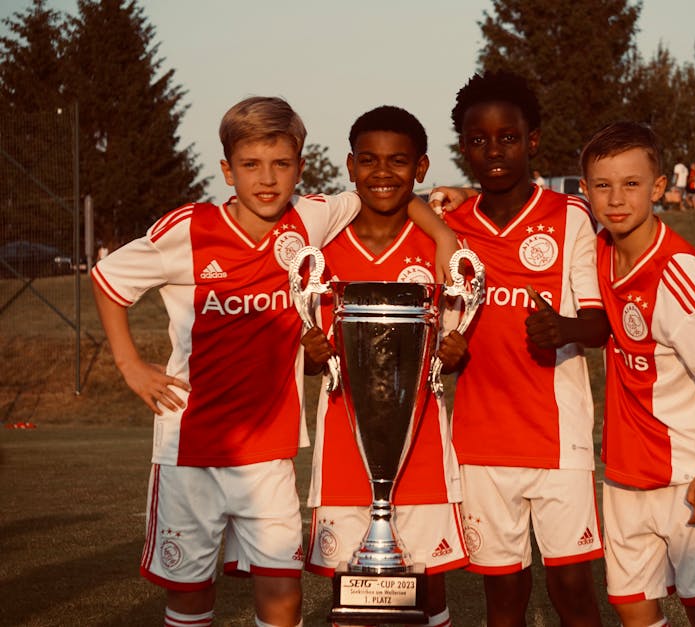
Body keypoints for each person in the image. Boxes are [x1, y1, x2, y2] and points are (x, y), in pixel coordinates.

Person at [90, 96, 458, 627]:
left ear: (300, 168)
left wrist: (444, 231)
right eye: (251, 164)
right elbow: (108, 281)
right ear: (227, 171)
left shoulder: (309, 218)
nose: (267, 179)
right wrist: (130, 365)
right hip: (190, 449)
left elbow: (381, 194)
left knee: (282, 594)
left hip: (271, 454)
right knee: (190, 595)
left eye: (281, 164)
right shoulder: (189, 229)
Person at [445, 69, 609, 627]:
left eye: (508, 137)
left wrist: (564, 328)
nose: (493, 150)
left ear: (532, 140)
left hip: (557, 438)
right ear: (463, 147)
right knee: (504, 599)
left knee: (573, 590)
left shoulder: (570, 216)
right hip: (479, 442)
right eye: (478, 139)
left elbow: (599, 325)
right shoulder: (450, 229)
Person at [578, 121, 695, 627]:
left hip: (687, 472)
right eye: (603, 185)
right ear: (585, 189)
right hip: (624, 472)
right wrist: (462, 196)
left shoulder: (678, 273)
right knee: (631, 604)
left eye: (631, 184)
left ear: (657, 188)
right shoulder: (599, 248)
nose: (616, 198)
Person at [301, 106, 469, 627]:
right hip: (343, 444)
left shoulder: (441, 246)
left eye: (398, 161)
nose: (382, 172)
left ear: (421, 168)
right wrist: (309, 355)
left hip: (420, 444)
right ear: (350, 166)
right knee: (351, 590)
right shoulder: (323, 244)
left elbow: (453, 341)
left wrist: (455, 351)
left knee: (427, 588)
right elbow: (309, 352)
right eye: (369, 160)